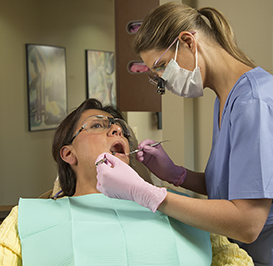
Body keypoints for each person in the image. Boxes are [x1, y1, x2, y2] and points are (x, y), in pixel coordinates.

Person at [95, 2, 273, 266]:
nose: (162, 81)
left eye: (162, 66)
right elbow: (239, 186)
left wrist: (147, 194)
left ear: (188, 42)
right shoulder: (226, 98)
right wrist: (177, 175)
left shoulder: (255, 102)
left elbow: (247, 222)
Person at [1, 98, 216, 265]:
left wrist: (174, 178)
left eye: (118, 126)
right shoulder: (26, 219)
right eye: (96, 125)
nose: (118, 130)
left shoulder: (180, 207)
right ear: (68, 154)